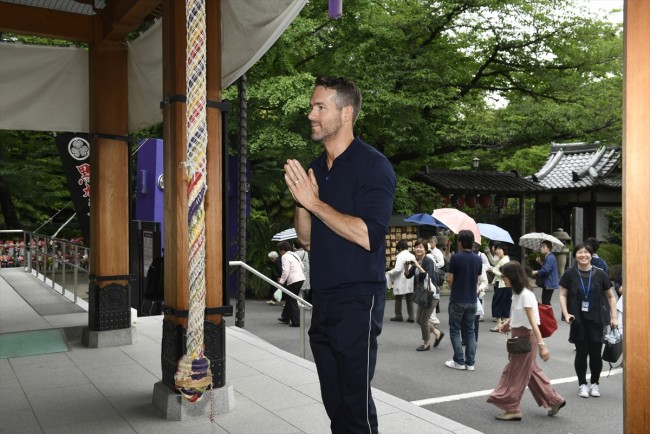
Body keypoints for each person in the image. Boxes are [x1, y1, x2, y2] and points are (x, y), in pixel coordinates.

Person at [284, 76, 396, 434]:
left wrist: (314, 202)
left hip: (358, 299)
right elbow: (306, 240)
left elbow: (369, 235)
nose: (310, 115)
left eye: (320, 107)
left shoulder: (372, 165)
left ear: (345, 113)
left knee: (355, 403)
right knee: (334, 402)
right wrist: (303, 203)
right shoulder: (318, 167)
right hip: (325, 297)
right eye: (312, 106)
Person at [487, 261, 566, 421]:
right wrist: (508, 323)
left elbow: (533, 322)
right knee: (530, 372)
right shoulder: (518, 293)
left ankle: (512, 408)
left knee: (515, 373)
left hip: (526, 337)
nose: (503, 279)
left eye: (505, 276)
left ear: (512, 276)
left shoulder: (525, 295)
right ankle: (555, 400)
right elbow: (518, 312)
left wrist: (542, 345)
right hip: (519, 335)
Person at [559, 243, 618, 398]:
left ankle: (595, 383)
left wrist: (614, 317)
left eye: (586, 253)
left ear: (591, 255)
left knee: (595, 354)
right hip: (578, 320)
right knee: (581, 353)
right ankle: (582, 384)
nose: (583, 255)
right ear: (575, 256)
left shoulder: (600, 274)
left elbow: (611, 296)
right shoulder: (570, 274)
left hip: (597, 319)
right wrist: (565, 313)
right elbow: (562, 294)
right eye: (580, 252)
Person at [445, 230, 482, 371]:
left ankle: (459, 361)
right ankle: (470, 362)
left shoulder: (456, 258)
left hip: (457, 298)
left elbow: (450, 279)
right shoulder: (478, 259)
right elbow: (477, 279)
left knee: (455, 330)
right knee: (470, 331)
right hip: (472, 299)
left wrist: (451, 288)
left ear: (460, 242)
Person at [404, 238, 444, 351]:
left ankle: (426, 343)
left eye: (421, 247)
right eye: (416, 247)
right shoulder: (416, 260)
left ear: (425, 249)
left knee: (424, 320)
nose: (418, 249)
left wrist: (418, 266)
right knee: (418, 320)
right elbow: (408, 275)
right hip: (423, 293)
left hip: (431, 294)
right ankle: (437, 333)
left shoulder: (428, 261)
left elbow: (428, 276)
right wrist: (406, 267)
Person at [277, 241, 305, 327]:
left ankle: (296, 322)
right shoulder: (294, 254)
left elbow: (286, 270)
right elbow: (302, 266)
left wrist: (281, 282)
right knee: (290, 298)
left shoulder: (285, 256)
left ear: (282, 250)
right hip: (300, 278)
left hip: (293, 279)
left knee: (292, 300)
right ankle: (285, 317)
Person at [386, 239, 416, 322]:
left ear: (399, 248)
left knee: (398, 298)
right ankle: (411, 317)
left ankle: (398, 315)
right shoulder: (412, 256)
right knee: (409, 299)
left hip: (400, 279)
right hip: (409, 279)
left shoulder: (400, 256)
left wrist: (389, 272)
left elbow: (398, 269)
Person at [489, 244, 511, 332]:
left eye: (500, 249)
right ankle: (506, 324)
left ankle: (499, 325)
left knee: (497, 303)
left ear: (504, 250)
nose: (497, 250)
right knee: (505, 303)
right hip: (504, 284)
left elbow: (503, 274)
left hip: (502, 284)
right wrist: (488, 253)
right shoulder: (502, 259)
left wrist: (493, 270)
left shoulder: (505, 261)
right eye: (497, 249)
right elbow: (494, 262)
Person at [532, 240, 559, 305]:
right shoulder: (548, 256)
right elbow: (547, 267)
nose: (542, 248)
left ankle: (549, 315)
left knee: (546, 301)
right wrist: (540, 262)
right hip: (549, 283)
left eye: (544, 247)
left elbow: (546, 270)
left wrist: (536, 272)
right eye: (541, 247)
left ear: (549, 248)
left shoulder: (550, 257)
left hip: (549, 283)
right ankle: (548, 314)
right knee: (545, 301)